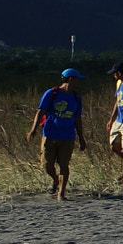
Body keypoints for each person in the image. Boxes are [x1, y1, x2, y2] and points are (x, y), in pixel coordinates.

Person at [30, 68, 87, 200]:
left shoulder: (77, 98)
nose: (79, 82)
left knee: (64, 166)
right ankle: (55, 180)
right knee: (47, 165)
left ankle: (61, 194)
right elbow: (40, 112)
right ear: (70, 79)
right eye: (77, 79)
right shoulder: (51, 93)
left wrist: (81, 138)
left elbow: (77, 119)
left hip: (67, 136)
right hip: (49, 134)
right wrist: (33, 130)